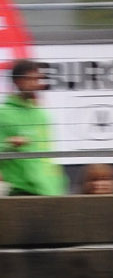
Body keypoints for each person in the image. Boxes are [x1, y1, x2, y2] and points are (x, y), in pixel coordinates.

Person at [0, 61, 65, 196]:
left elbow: (46, 152)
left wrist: (56, 181)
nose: (36, 84)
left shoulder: (42, 115)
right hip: (18, 189)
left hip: (47, 190)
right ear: (17, 81)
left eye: (38, 79)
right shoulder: (3, 114)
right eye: (30, 79)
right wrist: (9, 144)